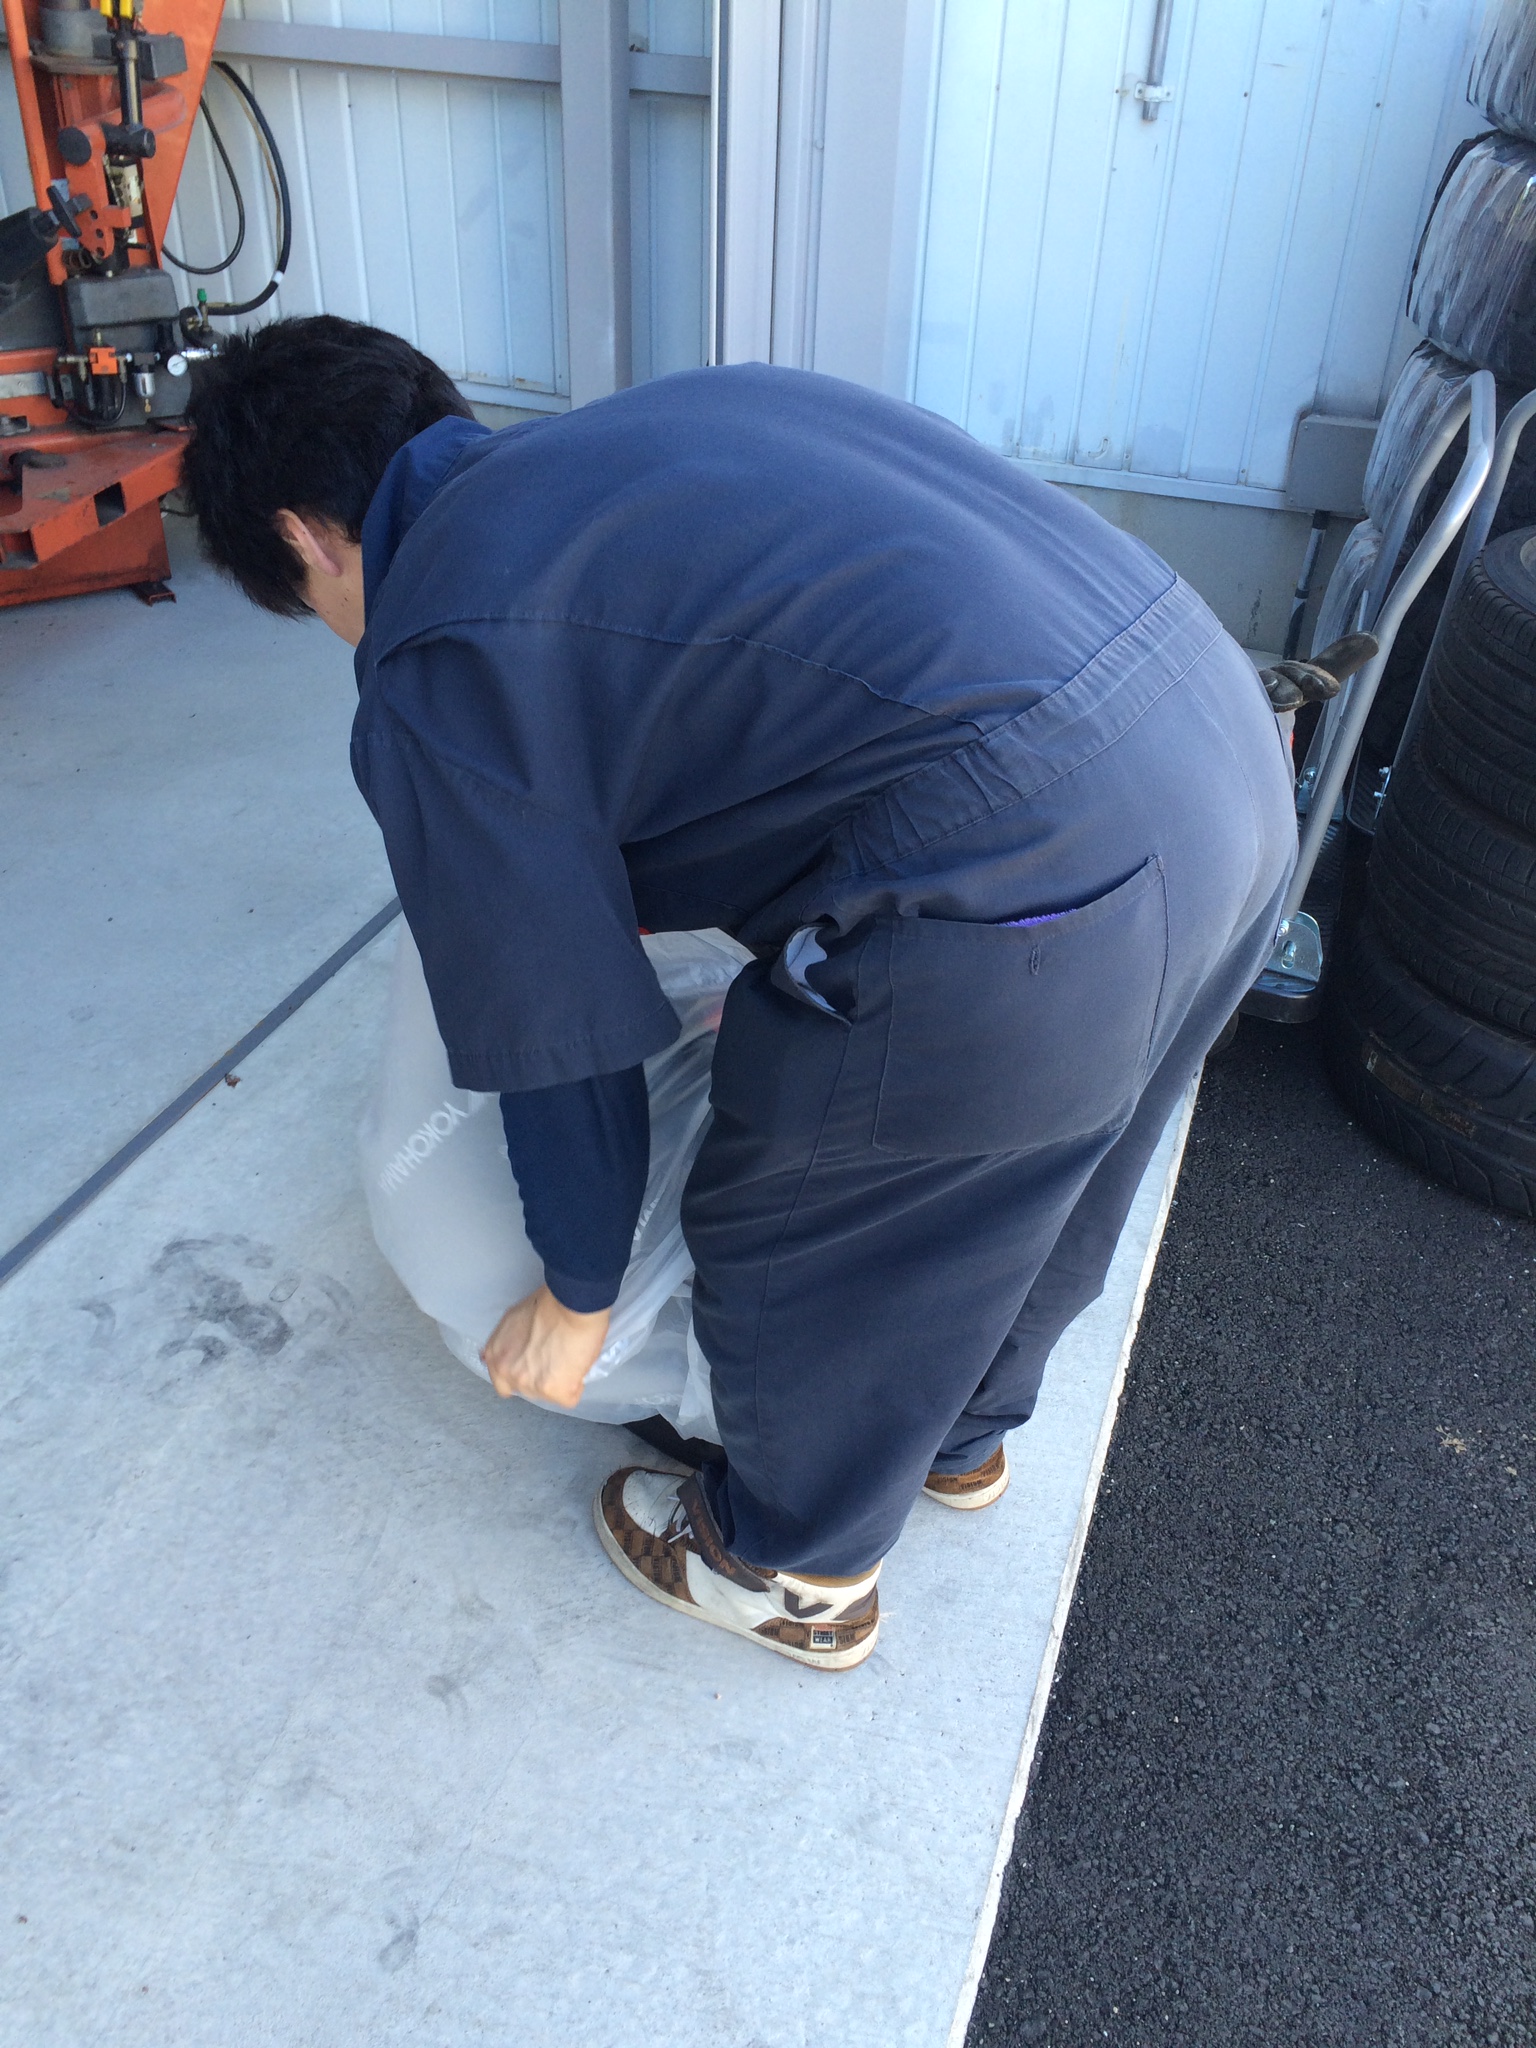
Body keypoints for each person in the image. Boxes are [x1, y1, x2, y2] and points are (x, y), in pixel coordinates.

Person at [184, 315, 1296, 1673]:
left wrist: (578, 1297)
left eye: (310, 606)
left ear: (305, 537)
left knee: (800, 1200)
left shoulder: (439, 651)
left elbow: (556, 1021)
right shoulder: (671, 435)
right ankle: (959, 1438)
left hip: (1028, 863)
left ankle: (792, 1565)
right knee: (1058, 1147)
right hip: (1225, 755)